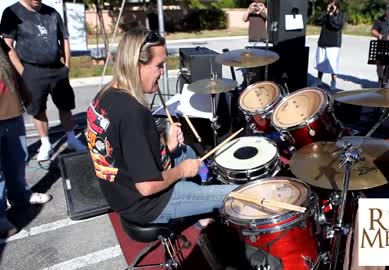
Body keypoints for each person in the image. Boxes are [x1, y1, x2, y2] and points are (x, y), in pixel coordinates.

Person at [86, 28, 239, 225]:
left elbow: (126, 153)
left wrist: (167, 146)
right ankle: (199, 207)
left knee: (189, 153)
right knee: (235, 193)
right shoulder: (132, 112)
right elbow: (147, 186)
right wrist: (182, 171)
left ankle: (199, 213)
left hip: (120, 191)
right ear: (136, 65)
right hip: (146, 204)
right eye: (159, 65)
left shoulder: (105, 95)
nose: (162, 72)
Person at [0, 0, 86, 161]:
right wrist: (23, 71)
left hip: (57, 69)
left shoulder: (52, 13)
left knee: (65, 105)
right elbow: (8, 45)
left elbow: (64, 38)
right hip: (31, 70)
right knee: (37, 109)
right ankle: (45, 144)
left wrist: (67, 65)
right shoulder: (12, 13)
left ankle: (72, 139)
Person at [0, 37, 52, 238]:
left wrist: (23, 87)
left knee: (18, 156)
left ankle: (19, 196)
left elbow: (7, 61)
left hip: (11, 108)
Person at [314, 0, 346, 91]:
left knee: (332, 64)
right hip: (323, 41)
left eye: (334, 4)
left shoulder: (341, 14)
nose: (331, 6)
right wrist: (327, 13)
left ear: (337, 5)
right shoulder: (326, 14)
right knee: (320, 63)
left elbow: (337, 26)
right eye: (330, 4)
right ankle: (318, 80)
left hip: (334, 43)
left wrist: (331, 15)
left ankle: (333, 82)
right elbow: (317, 21)